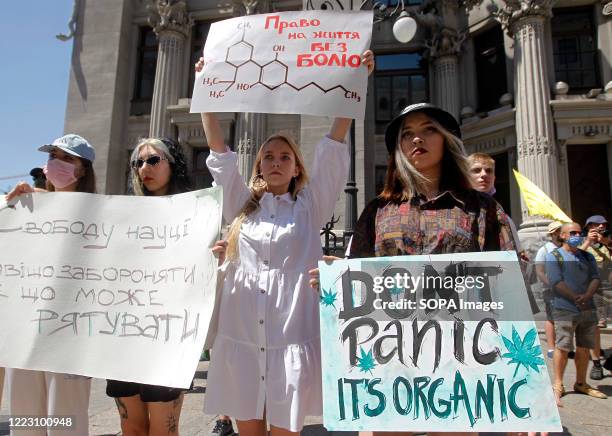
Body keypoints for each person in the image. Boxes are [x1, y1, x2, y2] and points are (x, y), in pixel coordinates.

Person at [197, 50, 374, 435]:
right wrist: (205, 91)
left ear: (296, 167)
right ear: (259, 165)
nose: (276, 162)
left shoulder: (310, 205)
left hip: (290, 332)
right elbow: (219, 155)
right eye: (268, 157)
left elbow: (333, 144)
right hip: (242, 332)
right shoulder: (241, 205)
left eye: (285, 157)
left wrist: (354, 82)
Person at [346, 103, 525, 436]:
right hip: (392, 353)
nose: (417, 139)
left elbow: (509, 292)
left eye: (428, 130)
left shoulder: (482, 208)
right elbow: (358, 285)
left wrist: (524, 387)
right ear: (398, 148)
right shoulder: (378, 211)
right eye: (407, 134)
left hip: (460, 353)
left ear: (446, 140)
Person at [5, 133, 96, 436]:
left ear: (83, 169)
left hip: (69, 334)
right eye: (53, 156)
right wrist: (13, 204)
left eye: (67, 158)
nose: (56, 163)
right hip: (24, 334)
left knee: (65, 421)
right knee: (26, 418)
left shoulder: (102, 215)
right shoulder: (28, 206)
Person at [105, 137, 194, 436]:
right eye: (138, 162)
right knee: (131, 426)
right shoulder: (119, 216)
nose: (145, 168)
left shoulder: (195, 216)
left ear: (173, 164)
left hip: (168, 338)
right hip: (122, 337)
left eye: (154, 160)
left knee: (163, 430)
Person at [546, 222, 607, 407]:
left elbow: (595, 278)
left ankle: (581, 382)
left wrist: (587, 295)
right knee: (563, 346)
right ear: (563, 235)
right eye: (573, 232)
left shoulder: (587, 257)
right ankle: (558, 383)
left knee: (584, 346)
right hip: (564, 307)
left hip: (587, 308)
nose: (577, 235)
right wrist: (574, 297)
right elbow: (555, 281)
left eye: (580, 232)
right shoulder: (554, 256)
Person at [579, 214, 611, 380]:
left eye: (604, 225)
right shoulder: (579, 240)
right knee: (594, 328)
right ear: (589, 226)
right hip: (591, 288)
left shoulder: (607, 240)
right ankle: (596, 363)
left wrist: (607, 243)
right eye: (598, 225)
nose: (601, 228)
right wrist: (588, 242)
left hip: (609, 287)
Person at [534, 221, 564, 359]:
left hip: (567, 289)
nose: (562, 233)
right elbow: (539, 271)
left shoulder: (566, 248)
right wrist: (551, 284)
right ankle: (551, 347)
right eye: (559, 230)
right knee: (551, 318)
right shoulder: (544, 250)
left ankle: (563, 346)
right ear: (553, 233)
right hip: (550, 290)